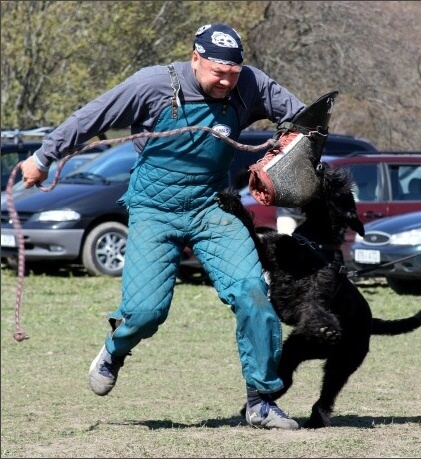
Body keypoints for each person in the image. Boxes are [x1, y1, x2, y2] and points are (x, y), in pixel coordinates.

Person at [21, 23, 307, 430]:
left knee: (253, 293)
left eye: (233, 72)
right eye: (217, 72)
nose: (226, 81)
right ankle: (114, 351)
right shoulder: (153, 84)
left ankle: (261, 400)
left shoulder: (251, 85)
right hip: (155, 208)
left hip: (213, 206)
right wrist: (42, 158)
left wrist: (289, 152)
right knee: (146, 311)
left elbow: (301, 120)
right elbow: (90, 117)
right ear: (195, 58)